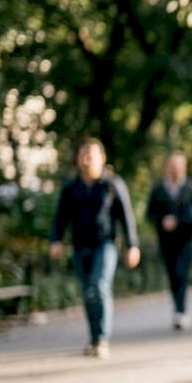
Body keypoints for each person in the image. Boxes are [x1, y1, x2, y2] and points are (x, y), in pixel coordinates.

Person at [48, 138, 141, 359]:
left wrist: (132, 245)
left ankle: (102, 338)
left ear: (102, 158)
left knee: (99, 285)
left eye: (91, 154)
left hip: (105, 244)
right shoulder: (71, 187)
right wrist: (56, 240)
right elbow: (60, 217)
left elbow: (126, 215)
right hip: (80, 246)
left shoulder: (112, 184)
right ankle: (93, 338)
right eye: (83, 154)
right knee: (87, 291)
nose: (87, 159)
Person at [145, 150, 192, 330]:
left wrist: (179, 222)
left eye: (178, 166)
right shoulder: (159, 189)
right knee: (173, 274)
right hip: (166, 240)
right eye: (171, 166)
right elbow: (150, 213)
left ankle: (181, 311)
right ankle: (177, 308)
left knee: (181, 272)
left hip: (185, 240)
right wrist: (162, 221)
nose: (174, 170)